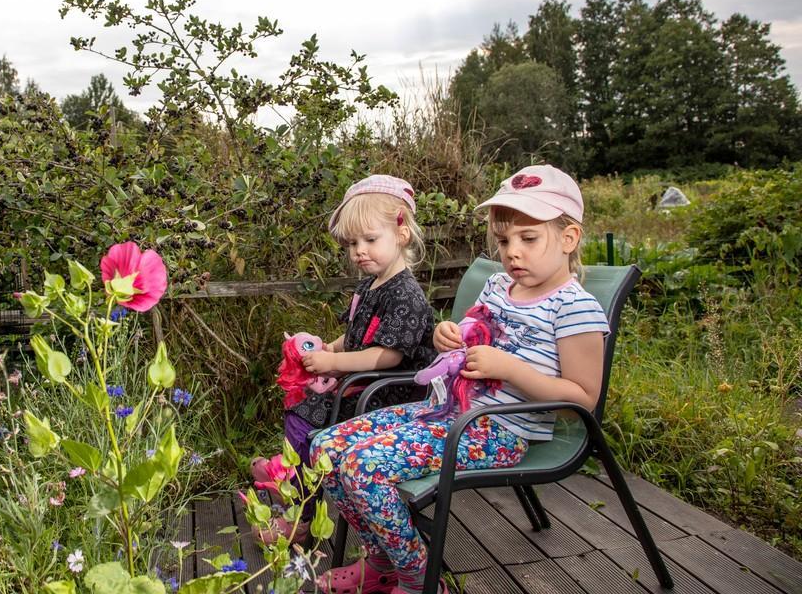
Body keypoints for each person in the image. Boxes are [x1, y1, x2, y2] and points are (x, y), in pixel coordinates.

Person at [308, 165, 609, 594]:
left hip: (501, 429)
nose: (512, 253)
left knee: (361, 467)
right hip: (448, 410)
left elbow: (581, 401)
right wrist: (444, 335)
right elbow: (465, 339)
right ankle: (383, 560)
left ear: (568, 238)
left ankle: (418, 575)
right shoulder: (498, 287)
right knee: (325, 448)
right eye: (504, 241)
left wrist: (509, 369)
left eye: (528, 239)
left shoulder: (574, 308)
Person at [250, 175, 436, 543]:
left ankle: (300, 510)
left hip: (392, 395)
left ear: (400, 234)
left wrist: (334, 364)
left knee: (311, 417)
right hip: (365, 384)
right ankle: (296, 474)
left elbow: (386, 355)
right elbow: (355, 334)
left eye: (369, 240)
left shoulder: (406, 295)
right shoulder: (371, 284)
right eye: (352, 243)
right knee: (302, 406)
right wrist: (330, 348)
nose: (359, 251)